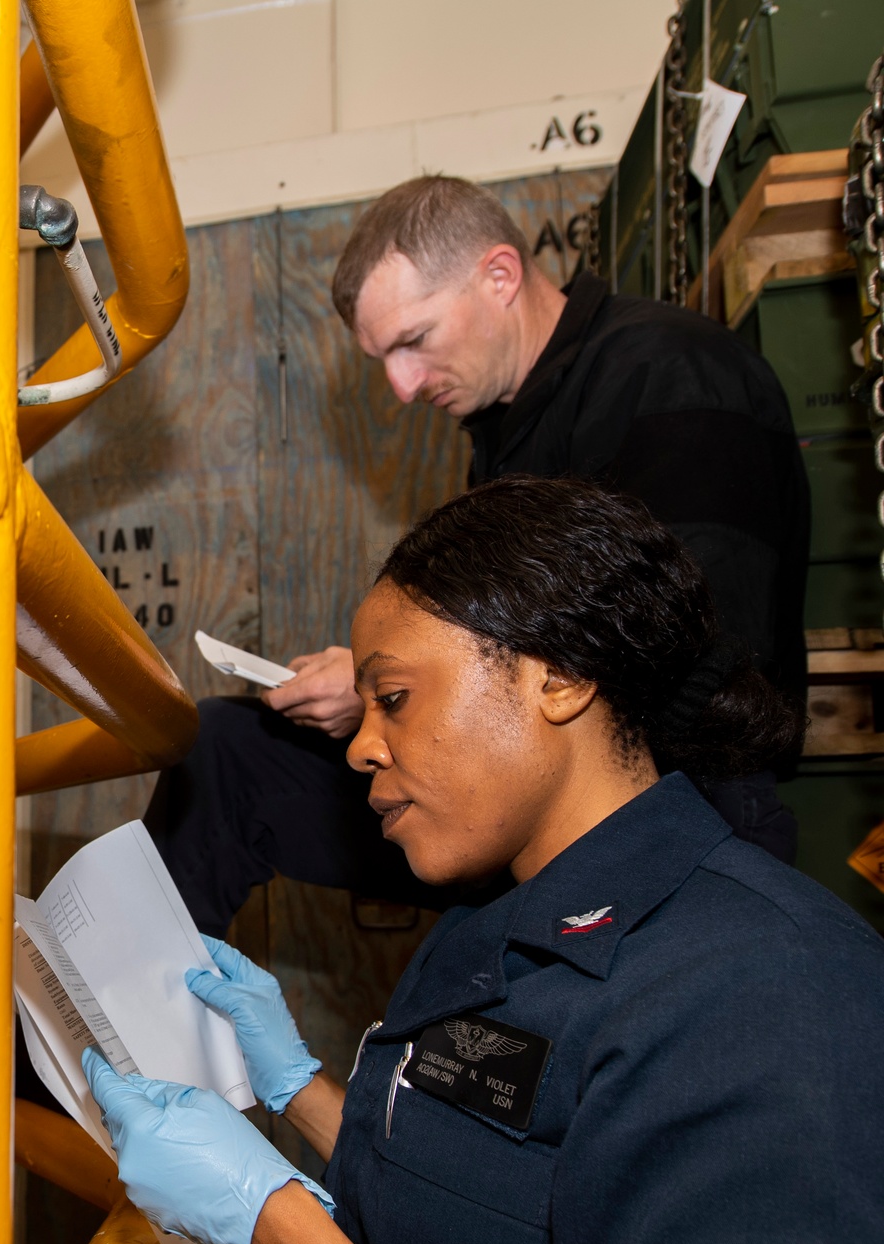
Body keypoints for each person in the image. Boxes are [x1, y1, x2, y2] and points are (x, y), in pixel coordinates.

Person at [89, 479, 882, 1244]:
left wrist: (274, 1225)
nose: (364, 743)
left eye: (396, 697)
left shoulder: (767, 999)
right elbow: (511, 1201)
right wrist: (296, 1087)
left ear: (557, 680)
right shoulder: (500, 922)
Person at [146, 176, 810, 935]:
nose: (400, 387)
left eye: (414, 340)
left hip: (678, 799)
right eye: (381, 359)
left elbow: (707, 652)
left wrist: (402, 695)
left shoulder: (671, 373)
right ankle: (123, 1033)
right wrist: (385, 686)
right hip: (513, 771)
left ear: (500, 275)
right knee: (227, 753)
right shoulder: (510, 430)